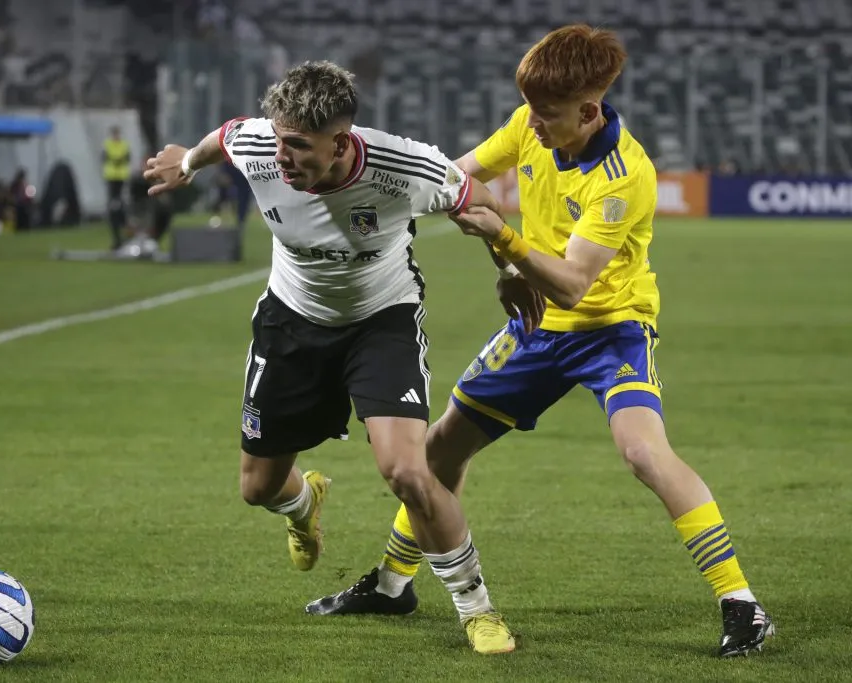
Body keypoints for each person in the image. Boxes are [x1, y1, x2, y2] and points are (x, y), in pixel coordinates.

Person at [305, 25, 774, 659]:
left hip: (611, 328)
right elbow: (458, 176)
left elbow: (575, 284)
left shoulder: (623, 174)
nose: (534, 125)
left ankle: (741, 603)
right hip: (534, 328)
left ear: (589, 111)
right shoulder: (530, 123)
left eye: (548, 115)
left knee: (642, 452)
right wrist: (372, 188)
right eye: (530, 109)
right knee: (438, 451)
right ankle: (393, 584)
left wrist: (505, 243)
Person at [145, 60, 514, 655]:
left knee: (406, 471)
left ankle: (478, 611)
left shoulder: (405, 168)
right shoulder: (260, 142)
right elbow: (227, 135)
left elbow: (485, 198)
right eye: (279, 139)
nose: (282, 156)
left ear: (342, 141)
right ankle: (304, 504)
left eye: (298, 146)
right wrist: (185, 163)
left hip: (381, 322)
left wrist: (508, 263)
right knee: (258, 488)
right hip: (290, 322)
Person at [103, 125, 131, 249]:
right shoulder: (107, 144)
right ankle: (119, 229)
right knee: (114, 203)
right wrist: (117, 160)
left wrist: (116, 160)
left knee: (120, 202)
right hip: (111, 177)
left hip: (121, 177)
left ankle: (123, 225)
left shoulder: (124, 145)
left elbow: (127, 158)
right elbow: (105, 158)